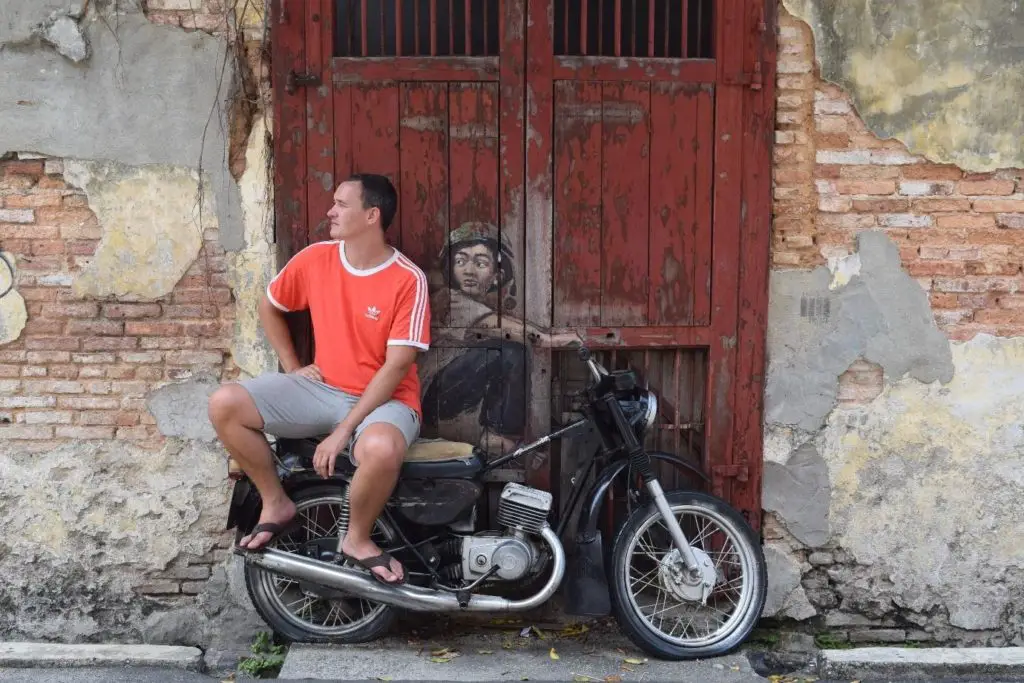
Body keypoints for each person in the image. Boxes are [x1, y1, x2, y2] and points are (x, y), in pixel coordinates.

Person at [207, 173, 429, 585]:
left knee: (380, 448)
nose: (330, 211)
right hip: (321, 389)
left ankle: (358, 539)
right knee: (225, 404)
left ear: (371, 215)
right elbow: (270, 306)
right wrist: (293, 367)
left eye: (342, 204)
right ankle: (275, 503)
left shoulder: (408, 279)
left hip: (387, 401)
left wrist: (344, 430)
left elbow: (397, 366)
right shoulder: (315, 260)